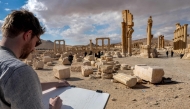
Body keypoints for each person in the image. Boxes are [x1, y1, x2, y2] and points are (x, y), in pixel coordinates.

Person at [0, 10, 69, 109]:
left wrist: (57, 83)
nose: (34, 49)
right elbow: (22, 81)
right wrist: (54, 107)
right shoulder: (19, 71)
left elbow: (23, 88)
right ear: (27, 35)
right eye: (36, 42)